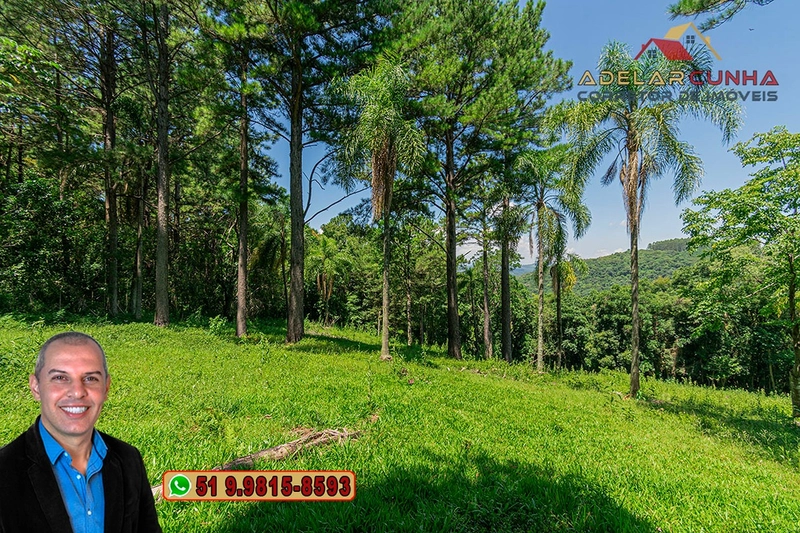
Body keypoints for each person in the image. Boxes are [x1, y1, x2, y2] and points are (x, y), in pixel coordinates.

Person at [0, 332, 162, 533]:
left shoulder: (129, 460)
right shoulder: (4, 470)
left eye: (90, 378)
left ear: (106, 387)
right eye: (60, 378)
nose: (77, 392)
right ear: (36, 387)